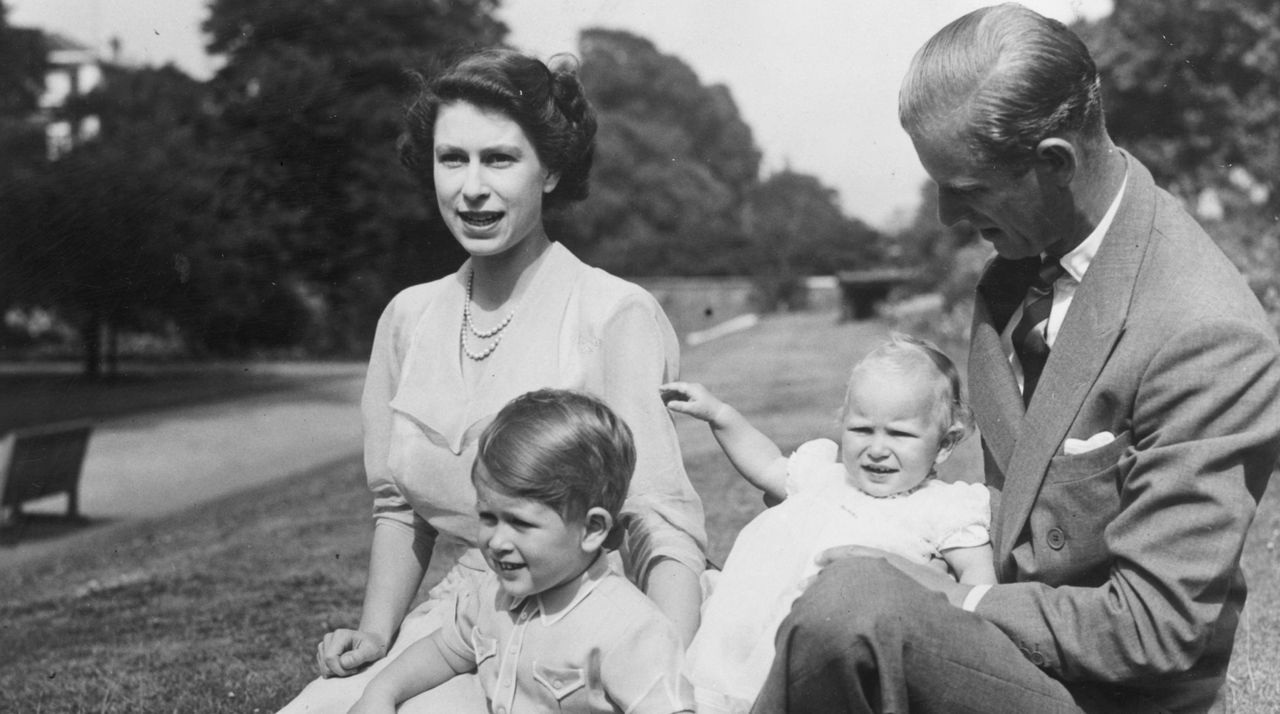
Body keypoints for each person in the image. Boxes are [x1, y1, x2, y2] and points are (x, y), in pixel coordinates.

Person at [752, 4, 1280, 713]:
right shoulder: (1025, 262)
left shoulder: (1206, 332)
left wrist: (960, 597)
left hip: (1114, 695)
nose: (942, 216)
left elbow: (1157, 628)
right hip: (1013, 652)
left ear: (1054, 163)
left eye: (963, 191)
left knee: (852, 607)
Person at [280, 48, 706, 713]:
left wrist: (668, 670)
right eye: (452, 159)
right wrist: (374, 633)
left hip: (584, 622)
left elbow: (659, 522)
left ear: (553, 170)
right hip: (469, 614)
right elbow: (398, 507)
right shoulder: (408, 318)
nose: (470, 188)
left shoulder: (612, 313)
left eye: (499, 159)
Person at [662, 335, 995, 714]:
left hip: (829, 660)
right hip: (750, 634)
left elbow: (979, 585)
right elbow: (767, 466)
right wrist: (719, 414)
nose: (877, 448)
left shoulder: (944, 507)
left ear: (946, 443)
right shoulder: (824, 475)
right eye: (861, 429)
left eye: (900, 434)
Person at [348, 389, 696, 714]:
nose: (497, 541)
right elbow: (445, 649)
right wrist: (382, 692)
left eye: (520, 523)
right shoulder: (492, 594)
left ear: (591, 530)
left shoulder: (627, 629)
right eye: (487, 517)